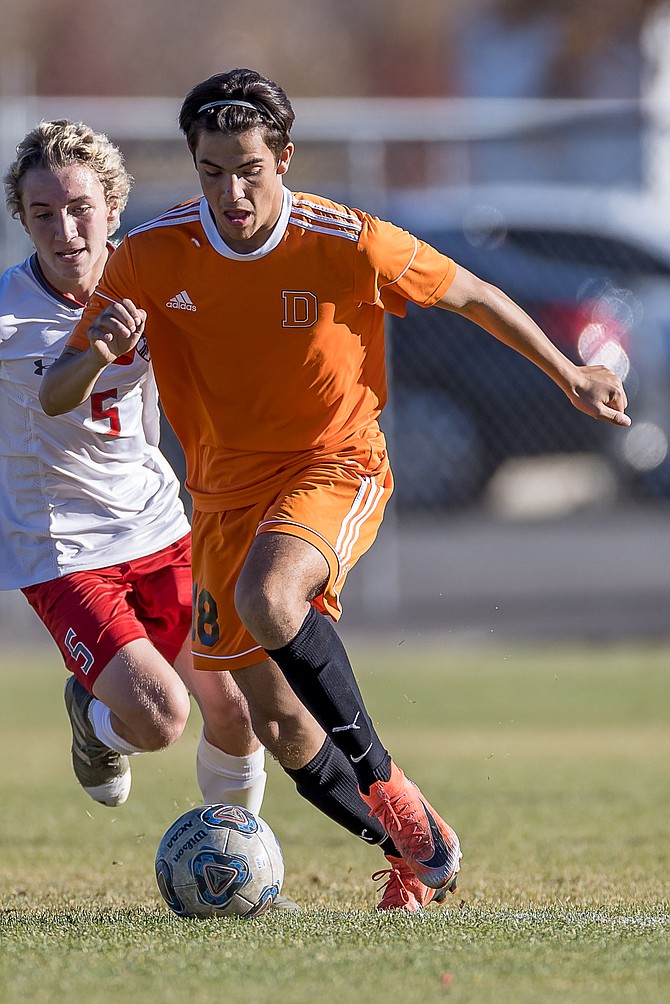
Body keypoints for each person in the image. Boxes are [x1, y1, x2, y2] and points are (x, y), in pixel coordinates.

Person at [42, 70, 630, 912]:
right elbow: (56, 392)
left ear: (283, 157)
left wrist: (568, 370)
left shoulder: (347, 240)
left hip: (334, 466)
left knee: (271, 597)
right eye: (211, 171)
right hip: (220, 503)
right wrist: (94, 350)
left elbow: (472, 293)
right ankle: (416, 855)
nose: (231, 191)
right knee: (279, 726)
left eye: (249, 168)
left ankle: (392, 788)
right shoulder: (150, 253)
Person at [0, 119, 272, 833]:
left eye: (80, 207)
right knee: (159, 718)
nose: (66, 230)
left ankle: (235, 859)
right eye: (43, 213)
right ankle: (93, 722)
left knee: (238, 703)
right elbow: (57, 394)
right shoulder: (8, 315)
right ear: (22, 220)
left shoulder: (152, 276)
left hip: (160, 524)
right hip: (63, 550)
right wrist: (94, 351)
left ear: (113, 208)